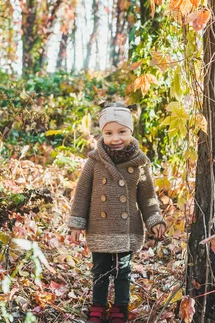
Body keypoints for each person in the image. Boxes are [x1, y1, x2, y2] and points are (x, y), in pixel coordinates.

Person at [68, 103, 166, 323]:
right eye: (109, 133)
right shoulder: (94, 162)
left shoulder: (139, 163)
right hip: (99, 227)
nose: (116, 138)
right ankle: (98, 306)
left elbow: (147, 197)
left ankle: (121, 307)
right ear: (102, 134)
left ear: (131, 132)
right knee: (100, 269)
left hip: (126, 228)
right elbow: (82, 194)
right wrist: (76, 224)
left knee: (123, 270)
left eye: (122, 132)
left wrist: (154, 220)